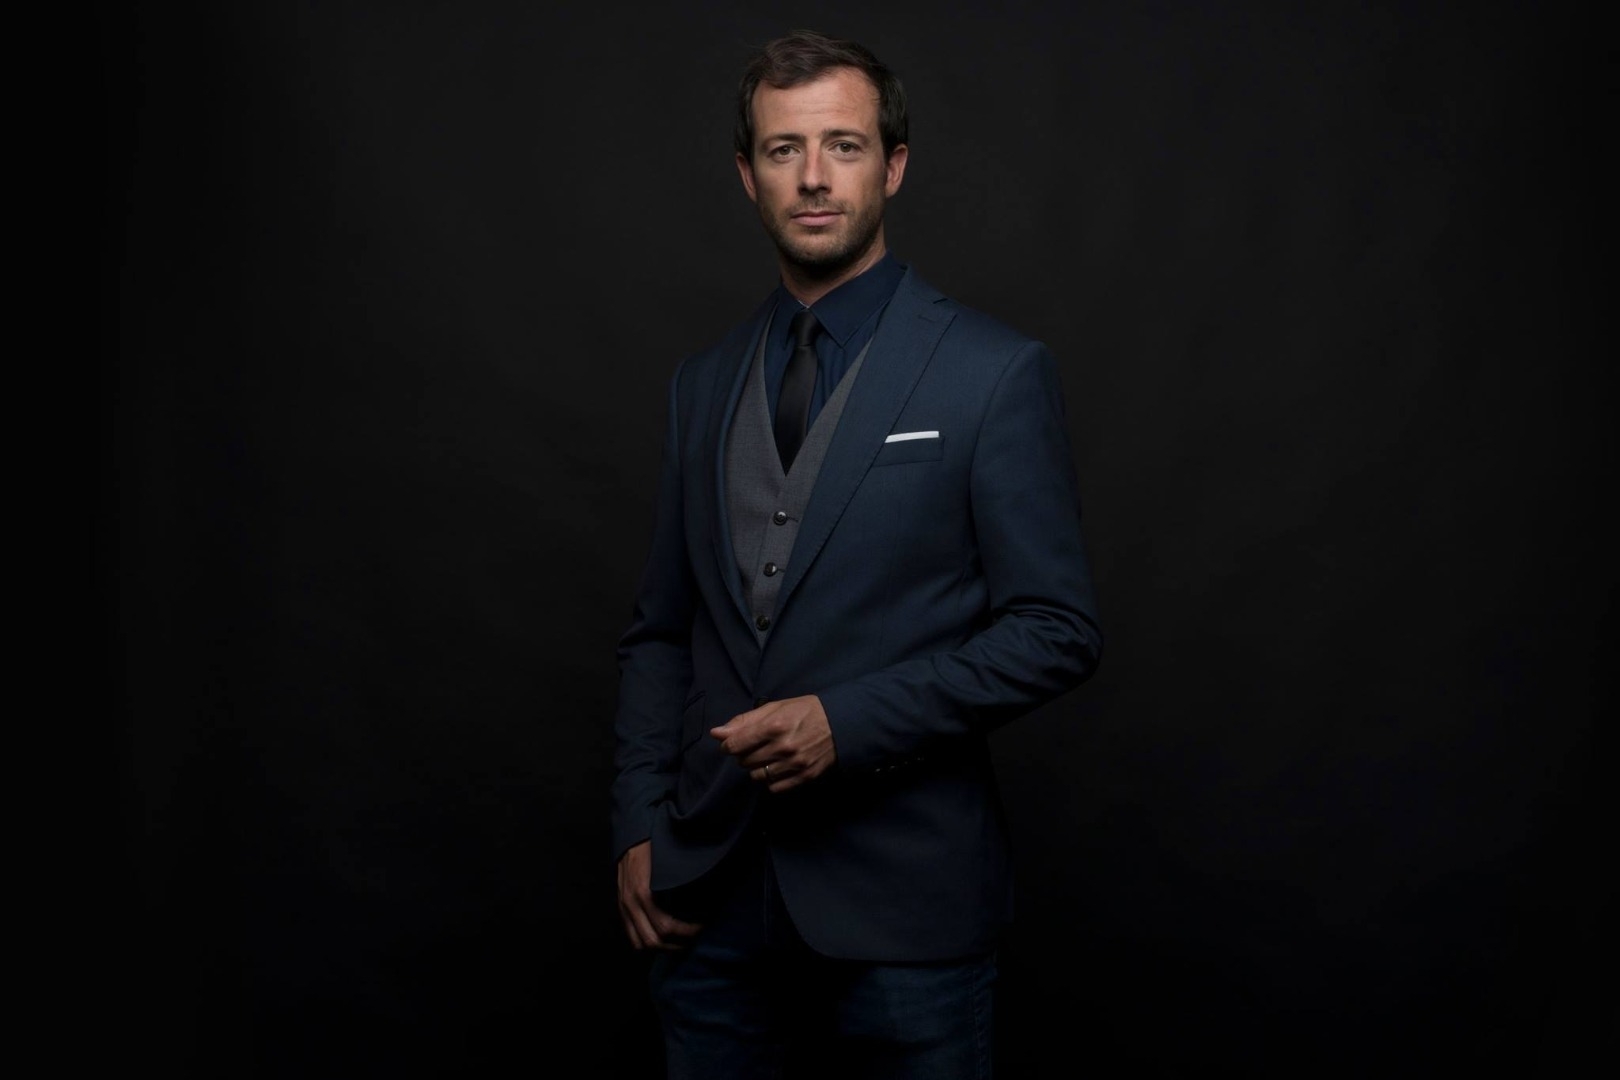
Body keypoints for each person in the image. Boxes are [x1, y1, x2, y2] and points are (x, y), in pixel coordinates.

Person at [610, 28, 1103, 1079]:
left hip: (905, 918)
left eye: (844, 144)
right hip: (710, 909)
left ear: (894, 165)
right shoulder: (702, 383)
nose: (815, 177)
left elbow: (1056, 630)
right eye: (784, 150)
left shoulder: (992, 372)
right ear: (747, 175)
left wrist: (849, 723)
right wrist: (638, 828)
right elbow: (662, 630)